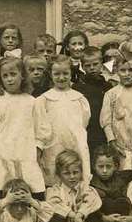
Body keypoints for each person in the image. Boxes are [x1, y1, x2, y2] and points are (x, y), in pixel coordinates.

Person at [0, 57, 51, 200]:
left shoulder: (33, 102)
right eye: (5, 76)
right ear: (0, 79)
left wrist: (37, 152)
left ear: (22, 75)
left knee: (34, 196)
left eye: (13, 74)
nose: (9, 79)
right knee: (1, 197)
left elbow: (42, 130)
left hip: (26, 155)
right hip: (3, 156)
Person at [35, 55, 91, 186]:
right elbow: (40, 127)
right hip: (53, 145)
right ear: (50, 74)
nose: (61, 77)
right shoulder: (44, 100)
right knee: (55, 179)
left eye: (65, 73)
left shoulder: (79, 99)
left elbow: (84, 122)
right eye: (57, 74)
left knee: (76, 178)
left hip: (75, 144)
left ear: (71, 72)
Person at [46, 149, 102, 222]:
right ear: (59, 174)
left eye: (75, 172)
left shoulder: (84, 187)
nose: (72, 177)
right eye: (67, 173)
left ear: (81, 172)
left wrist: (79, 215)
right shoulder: (55, 190)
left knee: (93, 219)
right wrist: (73, 216)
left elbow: (93, 200)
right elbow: (54, 204)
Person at [89, 145, 132, 222]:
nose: (104, 171)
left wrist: (131, 217)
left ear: (116, 166)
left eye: (108, 166)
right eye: (100, 167)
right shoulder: (91, 185)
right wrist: (103, 218)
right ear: (94, 166)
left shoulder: (122, 181)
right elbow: (90, 210)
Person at [72, 46, 112, 157]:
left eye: (95, 64)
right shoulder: (78, 87)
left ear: (101, 64)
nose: (92, 68)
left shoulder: (107, 86)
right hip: (86, 131)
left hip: (103, 131)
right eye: (88, 66)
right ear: (83, 67)